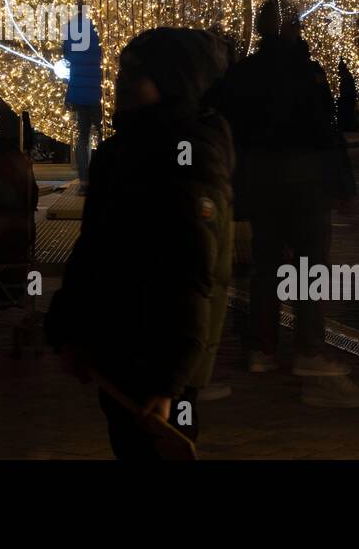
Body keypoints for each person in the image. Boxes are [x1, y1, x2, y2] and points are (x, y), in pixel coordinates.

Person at [46, 27, 233, 459]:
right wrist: (70, 329)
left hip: (159, 356)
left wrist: (169, 382)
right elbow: (94, 248)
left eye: (139, 74)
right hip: (119, 347)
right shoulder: (123, 150)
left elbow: (193, 273)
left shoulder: (188, 154)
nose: (123, 83)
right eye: (122, 71)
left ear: (173, 81)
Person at [217, 0, 359, 406]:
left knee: (266, 267)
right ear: (290, 29)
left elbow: (228, 124)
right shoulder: (307, 73)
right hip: (305, 181)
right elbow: (326, 132)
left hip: (262, 181)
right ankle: (308, 349)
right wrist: (342, 186)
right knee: (310, 266)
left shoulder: (246, 74)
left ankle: (262, 349)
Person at [60, 0, 102, 194]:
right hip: (99, 88)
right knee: (103, 135)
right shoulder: (100, 25)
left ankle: (84, 183)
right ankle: (102, 177)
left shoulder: (70, 28)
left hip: (78, 89)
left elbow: (67, 55)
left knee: (82, 136)